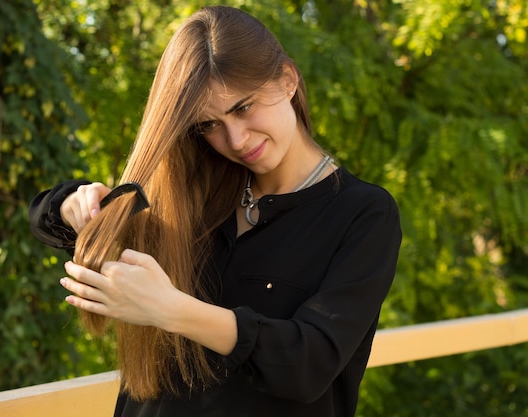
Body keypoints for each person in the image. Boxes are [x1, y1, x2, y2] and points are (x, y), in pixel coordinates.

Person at [28, 5, 401, 417]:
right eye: (208, 125)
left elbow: (310, 363)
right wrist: (71, 206)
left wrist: (171, 309)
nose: (236, 140)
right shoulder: (190, 194)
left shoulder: (363, 213)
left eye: (243, 108)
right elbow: (42, 216)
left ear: (287, 80)